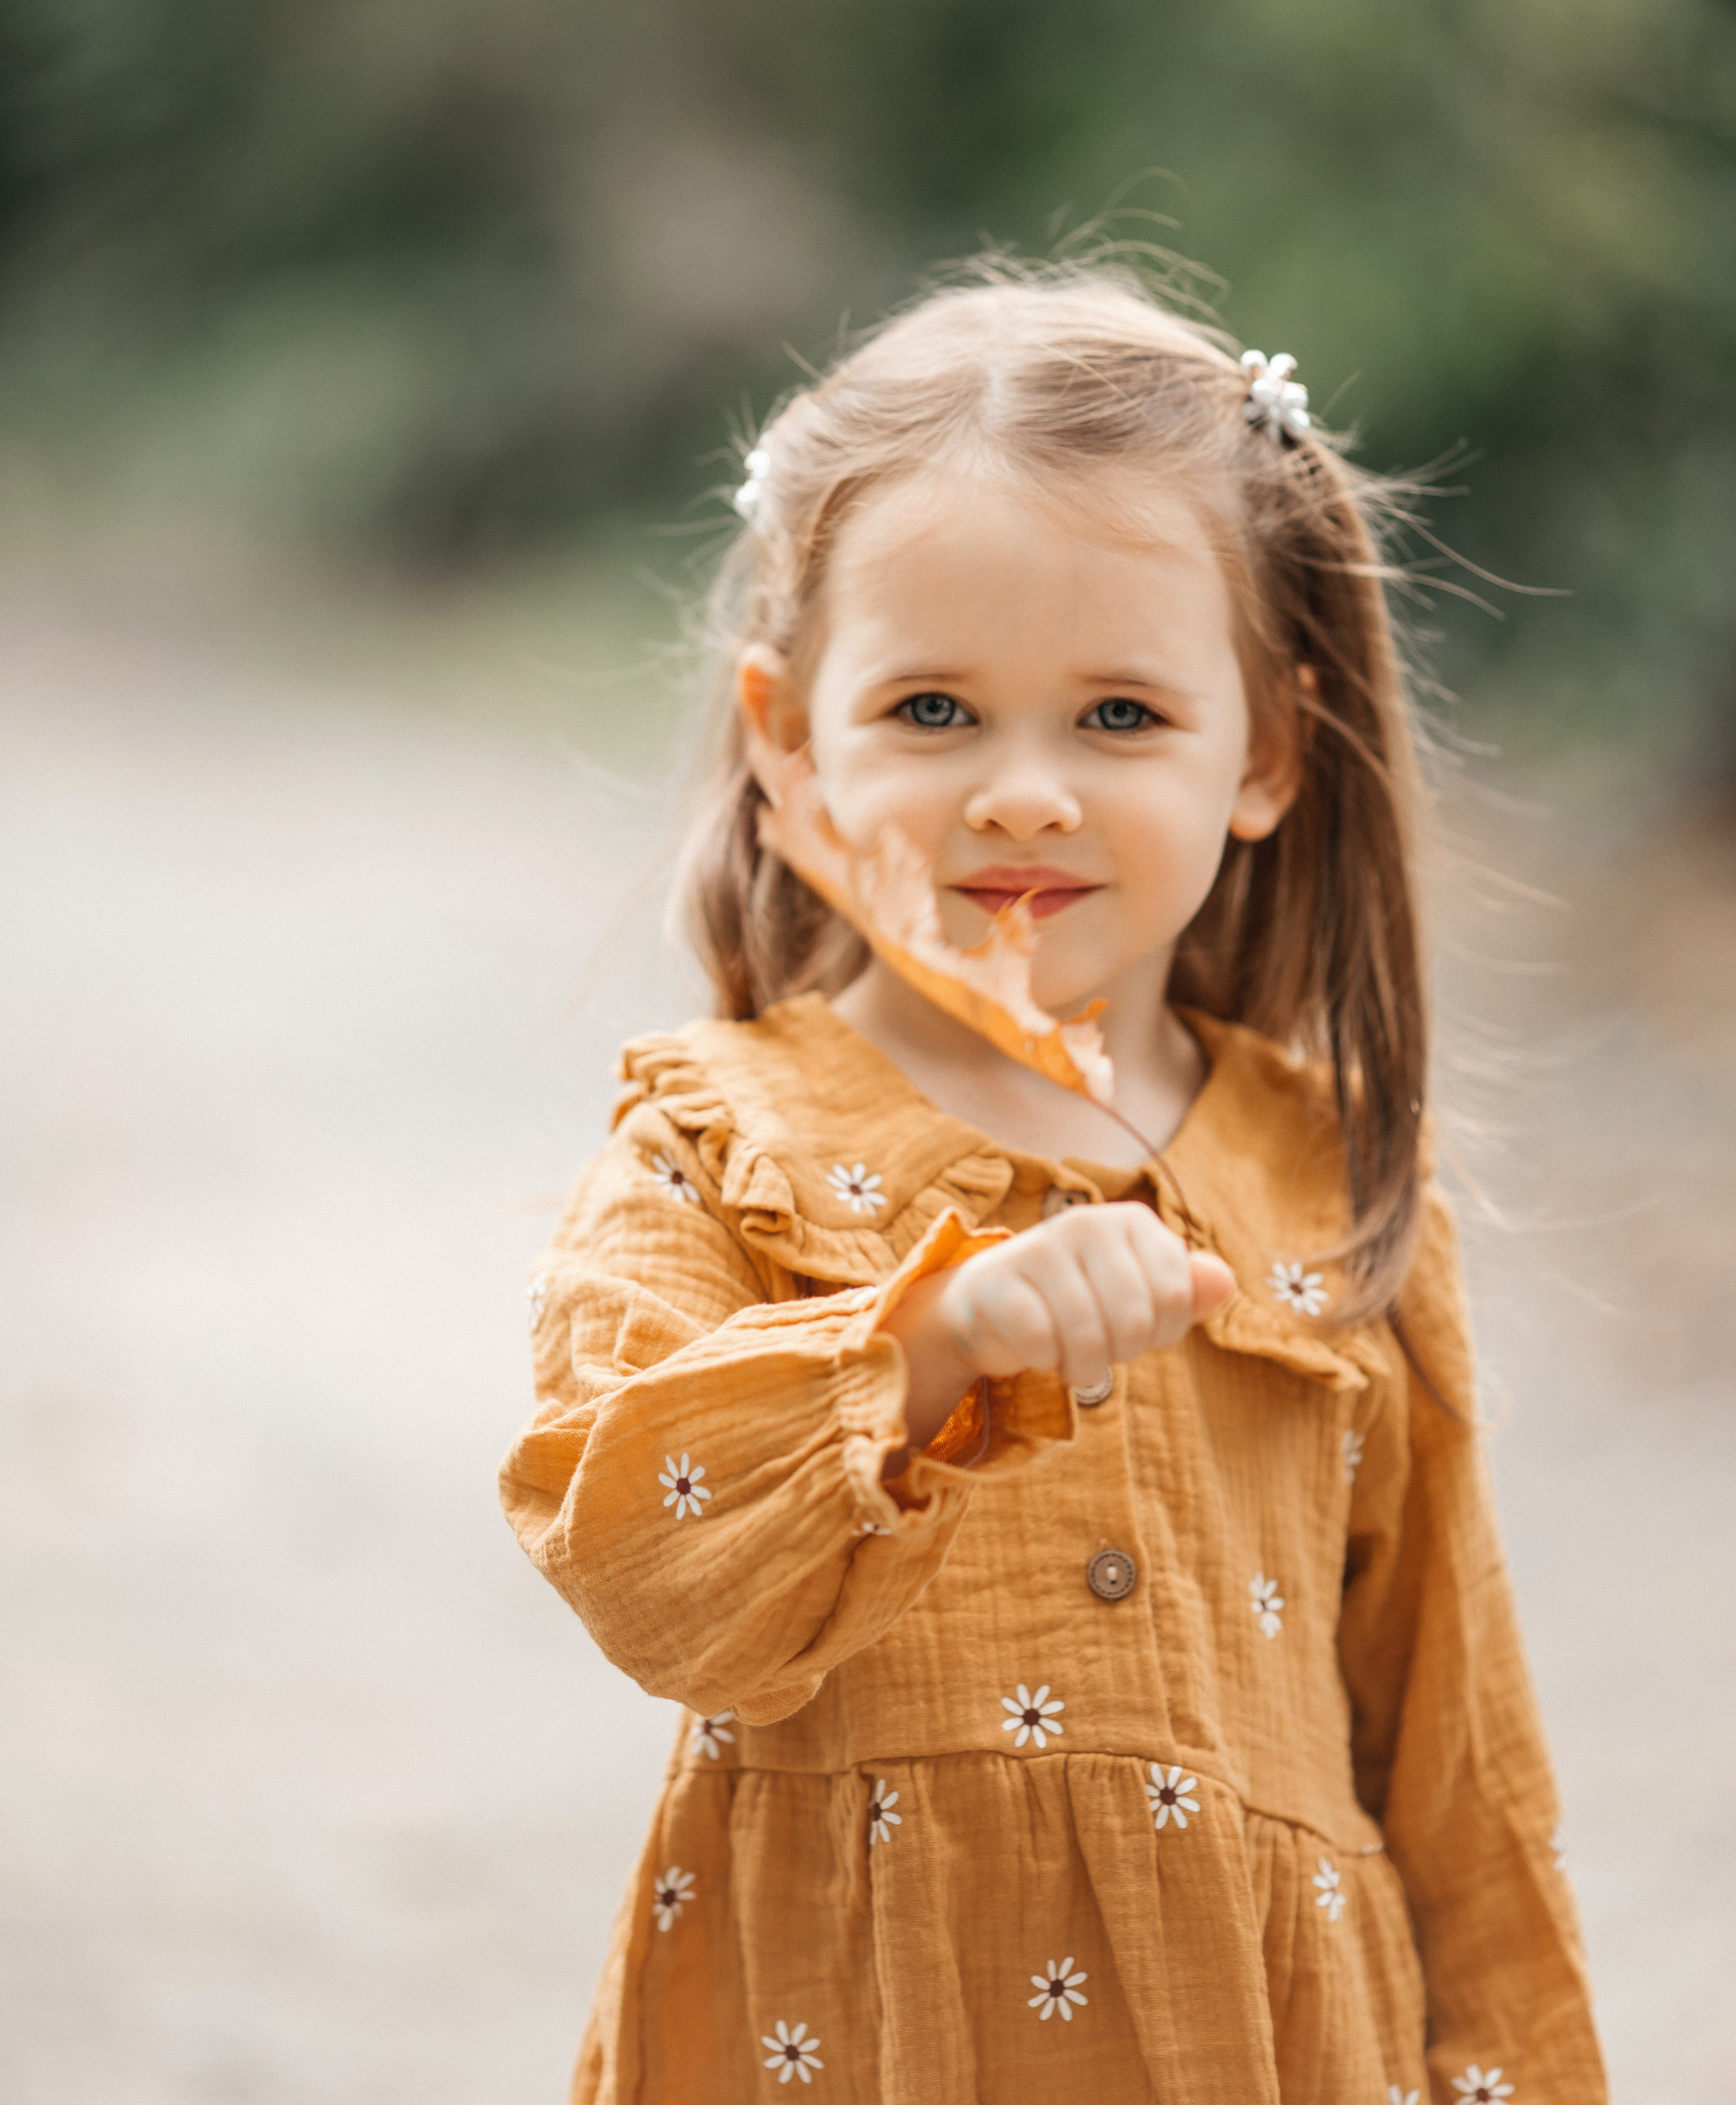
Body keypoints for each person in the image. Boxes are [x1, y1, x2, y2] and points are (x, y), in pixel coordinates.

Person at [500, 263, 1605, 2104]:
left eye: (1119, 717)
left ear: (1266, 752)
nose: (1023, 793)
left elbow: (1457, 1754)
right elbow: (638, 1565)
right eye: (935, 709)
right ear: (791, 741)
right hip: (845, 2041)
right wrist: (922, 1346)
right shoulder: (718, 1140)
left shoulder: (1333, 1179)